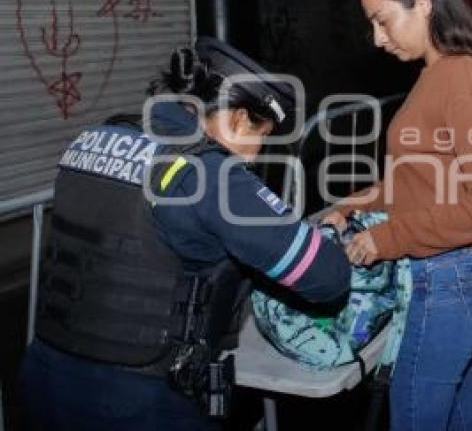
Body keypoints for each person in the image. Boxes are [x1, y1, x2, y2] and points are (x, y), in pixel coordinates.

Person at [18, 38, 352, 431]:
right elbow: (327, 276)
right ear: (238, 118)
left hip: (42, 377)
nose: (256, 153)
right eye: (261, 134)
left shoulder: (94, 137)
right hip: (137, 402)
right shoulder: (209, 175)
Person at [322, 0, 472, 431]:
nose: (377, 38)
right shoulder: (438, 74)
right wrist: (351, 205)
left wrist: (383, 238)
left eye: (383, 20)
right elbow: (416, 178)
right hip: (455, 275)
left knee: (414, 416)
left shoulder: (462, 77)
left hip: (452, 278)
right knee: (462, 419)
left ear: (424, 2)